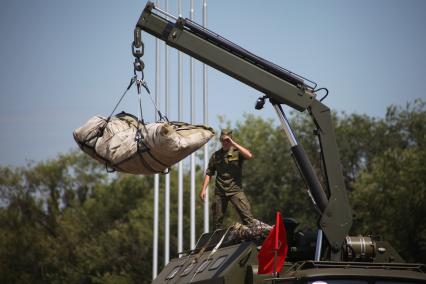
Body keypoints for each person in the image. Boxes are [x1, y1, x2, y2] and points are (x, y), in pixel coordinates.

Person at [199, 129, 254, 230]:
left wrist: (233, 144)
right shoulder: (216, 155)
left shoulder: (236, 152)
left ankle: (254, 238)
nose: (224, 142)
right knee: (217, 221)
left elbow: (249, 155)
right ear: (220, 140)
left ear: (231, 140)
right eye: (222, 140)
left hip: (235, 190)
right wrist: (203, 189)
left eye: (227, 140)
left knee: (248, 217)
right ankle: (217, 242)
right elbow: (209, 172)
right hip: (220, 191)